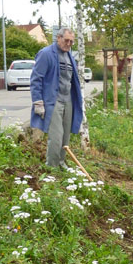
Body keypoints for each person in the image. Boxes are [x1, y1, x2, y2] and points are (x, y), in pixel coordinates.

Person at [30, 27, 83, 168]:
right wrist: (38, 102)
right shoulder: (46, 54)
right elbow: (36, 79)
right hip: (53, 101)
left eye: (72, 42)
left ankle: (61, 162)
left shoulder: (70, 56)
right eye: (66, 40)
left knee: (66, 135)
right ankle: (52, 167)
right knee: (56, 136)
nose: (69, 44)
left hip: (68, 101)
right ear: (58, 38)